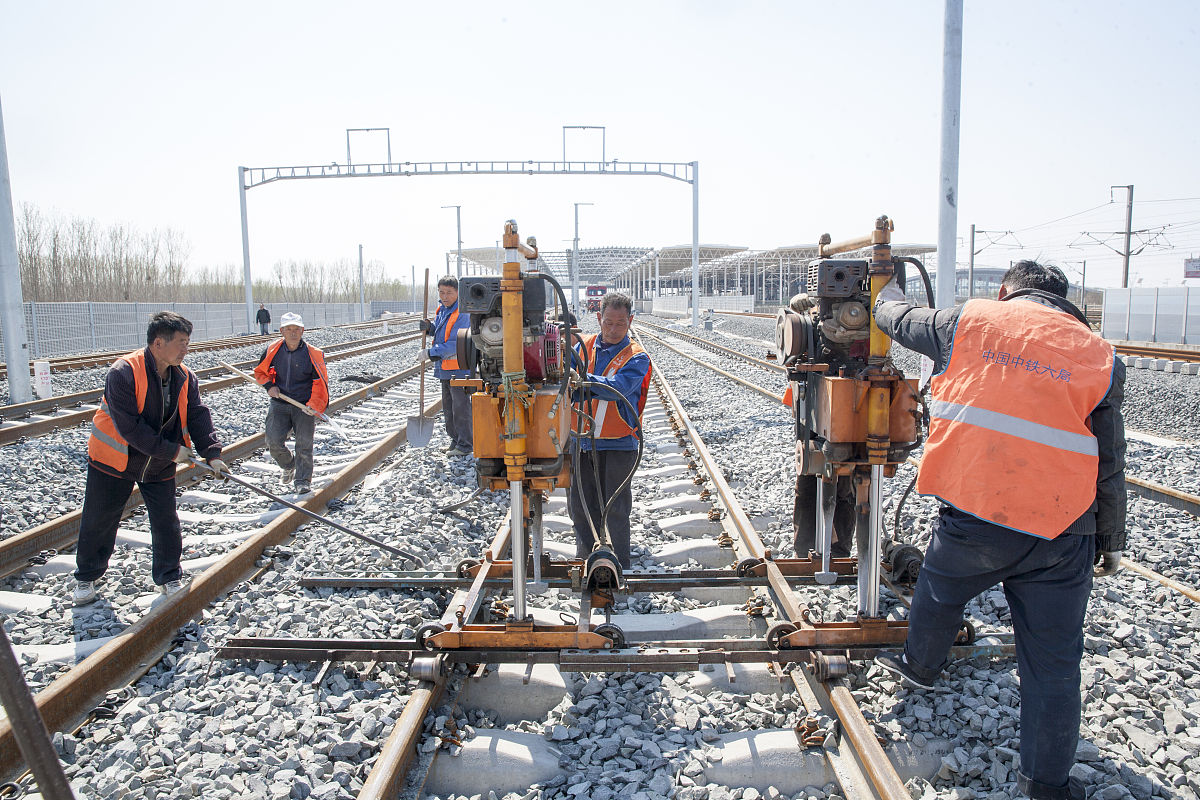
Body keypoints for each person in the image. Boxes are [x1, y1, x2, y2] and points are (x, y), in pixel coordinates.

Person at [871, 260, 1126, 800]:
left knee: (939, 593)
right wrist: (1110, 540)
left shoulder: (971, 321)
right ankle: (1046, 786)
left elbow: (893, 316)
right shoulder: (1099, 354)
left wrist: (884, 276)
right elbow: (1110, 461)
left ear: (1008, 290)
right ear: (1064, 299)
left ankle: (919, 667)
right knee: (1054, 663)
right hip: (1063, 529)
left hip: (976, 514)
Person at [73, 311, 227, 605]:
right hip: (115, 459)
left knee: (166, 520)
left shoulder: (184, 376)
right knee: (100, 518)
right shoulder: (123, 373)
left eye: (187, 342)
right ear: (158, 343)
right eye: (181, 342)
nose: (186, 349)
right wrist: (172, 451)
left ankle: (169, 577)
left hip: (157, 462)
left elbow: (197, 415)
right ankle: (86, 578)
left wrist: (213, 454)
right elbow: (130, 427)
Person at [569, 292, 652, 570]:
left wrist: (580, 380)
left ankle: (620, 563)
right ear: (598, 319)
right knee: (581, 506)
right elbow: (563, 379)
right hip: (582, 441)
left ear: (630, 321)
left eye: (620, 324)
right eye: (608, 323)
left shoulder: (637, 357)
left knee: (614, 508)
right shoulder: (585, 347)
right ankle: (586, 558)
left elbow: (617, 388)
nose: (614, 329)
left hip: (619, 444)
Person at [253, 312, 330, 495]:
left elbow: (321, 382)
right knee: (273, 441)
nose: (293, 333)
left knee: (304, 444)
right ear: (282, 331)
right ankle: (289, 464)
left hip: (304, 405)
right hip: (280, 403)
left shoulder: (313, 354)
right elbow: (260, 373)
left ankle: (302, 480)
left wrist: (315, 405)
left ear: (303, 331)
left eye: (296, 329)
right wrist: (269, 387)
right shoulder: (272, 350)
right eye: (289, 329)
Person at [419, 276, 473, 455]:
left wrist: (430, 353)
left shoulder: (462, 313)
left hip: (459, 369)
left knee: (461, 409)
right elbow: (442, 333)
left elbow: (454, 343)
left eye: (449, 292)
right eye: (442, 292)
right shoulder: (442, 310)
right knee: (449, 409)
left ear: (458, 292)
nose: (445, 296)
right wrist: (430, 328)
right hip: (445, 369)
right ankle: (455, 441)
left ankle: (465, 445)